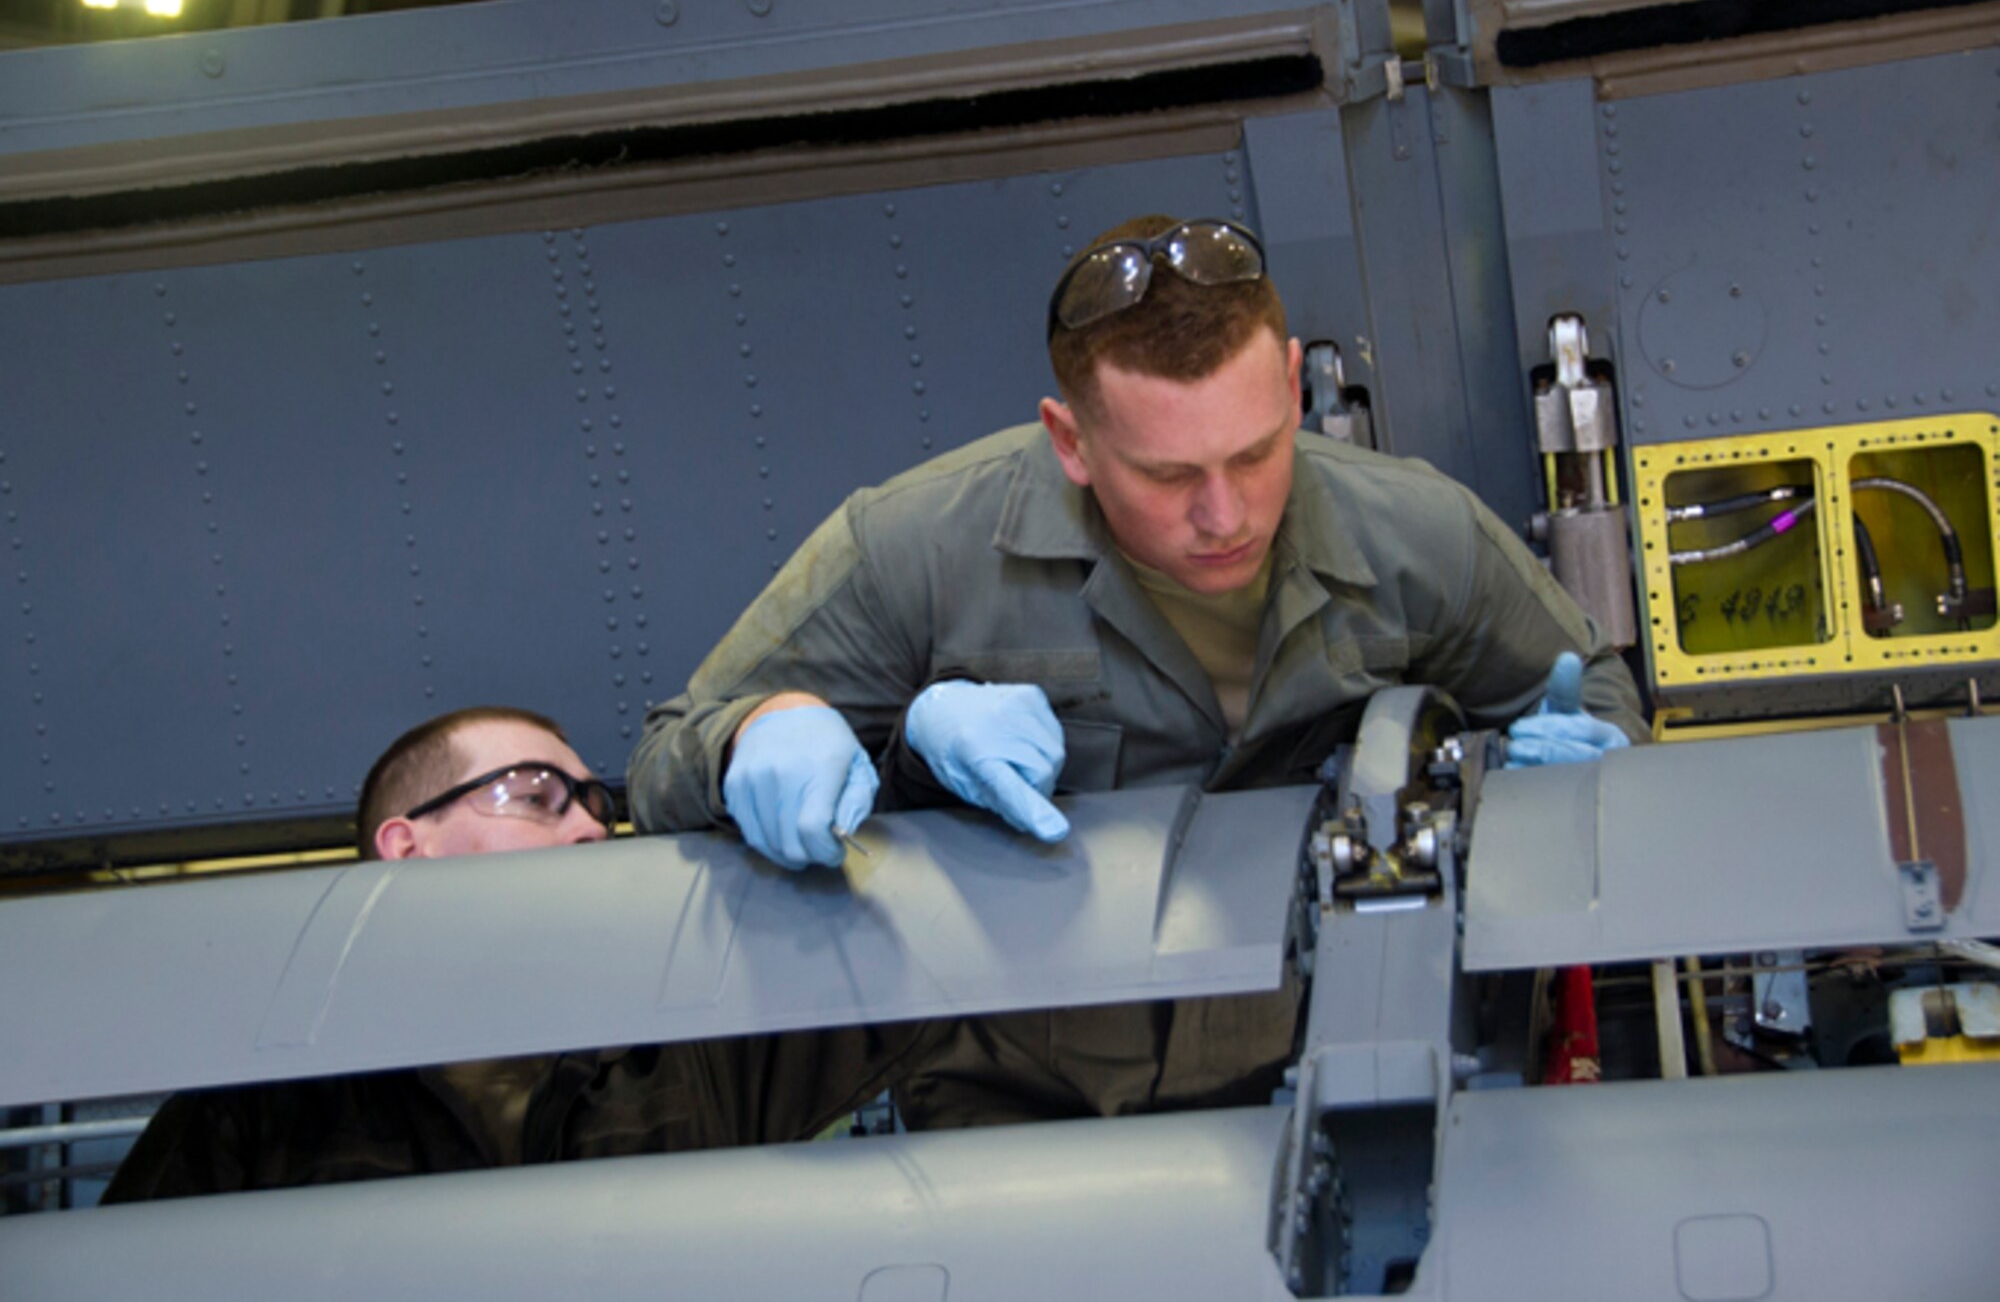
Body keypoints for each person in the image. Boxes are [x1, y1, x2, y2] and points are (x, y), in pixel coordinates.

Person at [626, 213, 1645, 1125]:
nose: (1225, 514)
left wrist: (1581, 771)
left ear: (1292, 384)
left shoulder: (1418, 534)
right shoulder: (917, 548)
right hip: (1031, 1101)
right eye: (1168, 475)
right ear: (1069, 440)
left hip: (1351, 1065)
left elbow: (1595, 697)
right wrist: (757, 735)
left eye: (1256, 453)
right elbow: (667, 754)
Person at [105, 706, 923, 1200]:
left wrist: (906, 763)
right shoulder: (262, 1116)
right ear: (407, 848)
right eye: (536, 796)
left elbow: (912, 961)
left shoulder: (698, 1060)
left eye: (597, 806)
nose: (592, 828)